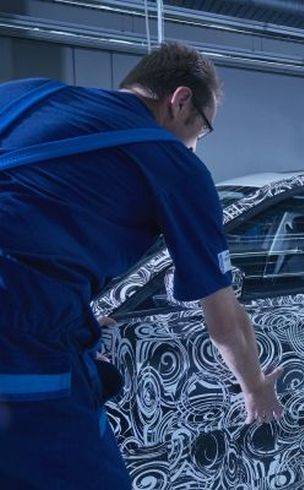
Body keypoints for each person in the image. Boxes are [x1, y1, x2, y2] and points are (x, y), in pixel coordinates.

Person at [0, 42, 283, 488]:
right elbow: (225, 322)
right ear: (180, 101)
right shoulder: (172, 163)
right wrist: (255, 387)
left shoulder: (26, 96)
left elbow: (35, 215)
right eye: (202, 130)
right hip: (21, 337)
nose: (194, 146)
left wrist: (72, 305)